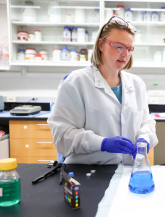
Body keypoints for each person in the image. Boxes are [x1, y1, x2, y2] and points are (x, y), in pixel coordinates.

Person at [48, 16, 158, 165]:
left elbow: (146, 122)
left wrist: (145, 137)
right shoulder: (76, 82)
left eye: (129, 49)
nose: (125, 54)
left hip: (127, 170)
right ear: (101, 44)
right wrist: (102, 143)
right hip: (87, 172)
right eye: (119, 47)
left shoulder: (137, 84)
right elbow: (62, 135)